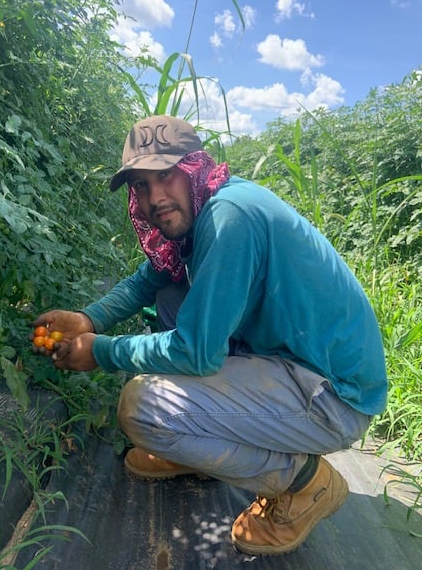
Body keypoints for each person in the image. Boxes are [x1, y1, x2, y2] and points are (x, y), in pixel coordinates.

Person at [33, 114, 387, 556]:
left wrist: (101, 351)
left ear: (194, 168)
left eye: (165, 175)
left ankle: (305, 484)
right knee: (170, 292)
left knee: (142, 408)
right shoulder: (204, 212)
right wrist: (88, 319)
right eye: (141, 185)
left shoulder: (228, 218)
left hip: (333, 396)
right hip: (292, 361)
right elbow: (148, 280)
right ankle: (194, 447)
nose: (154, 196)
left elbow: (196, 353)